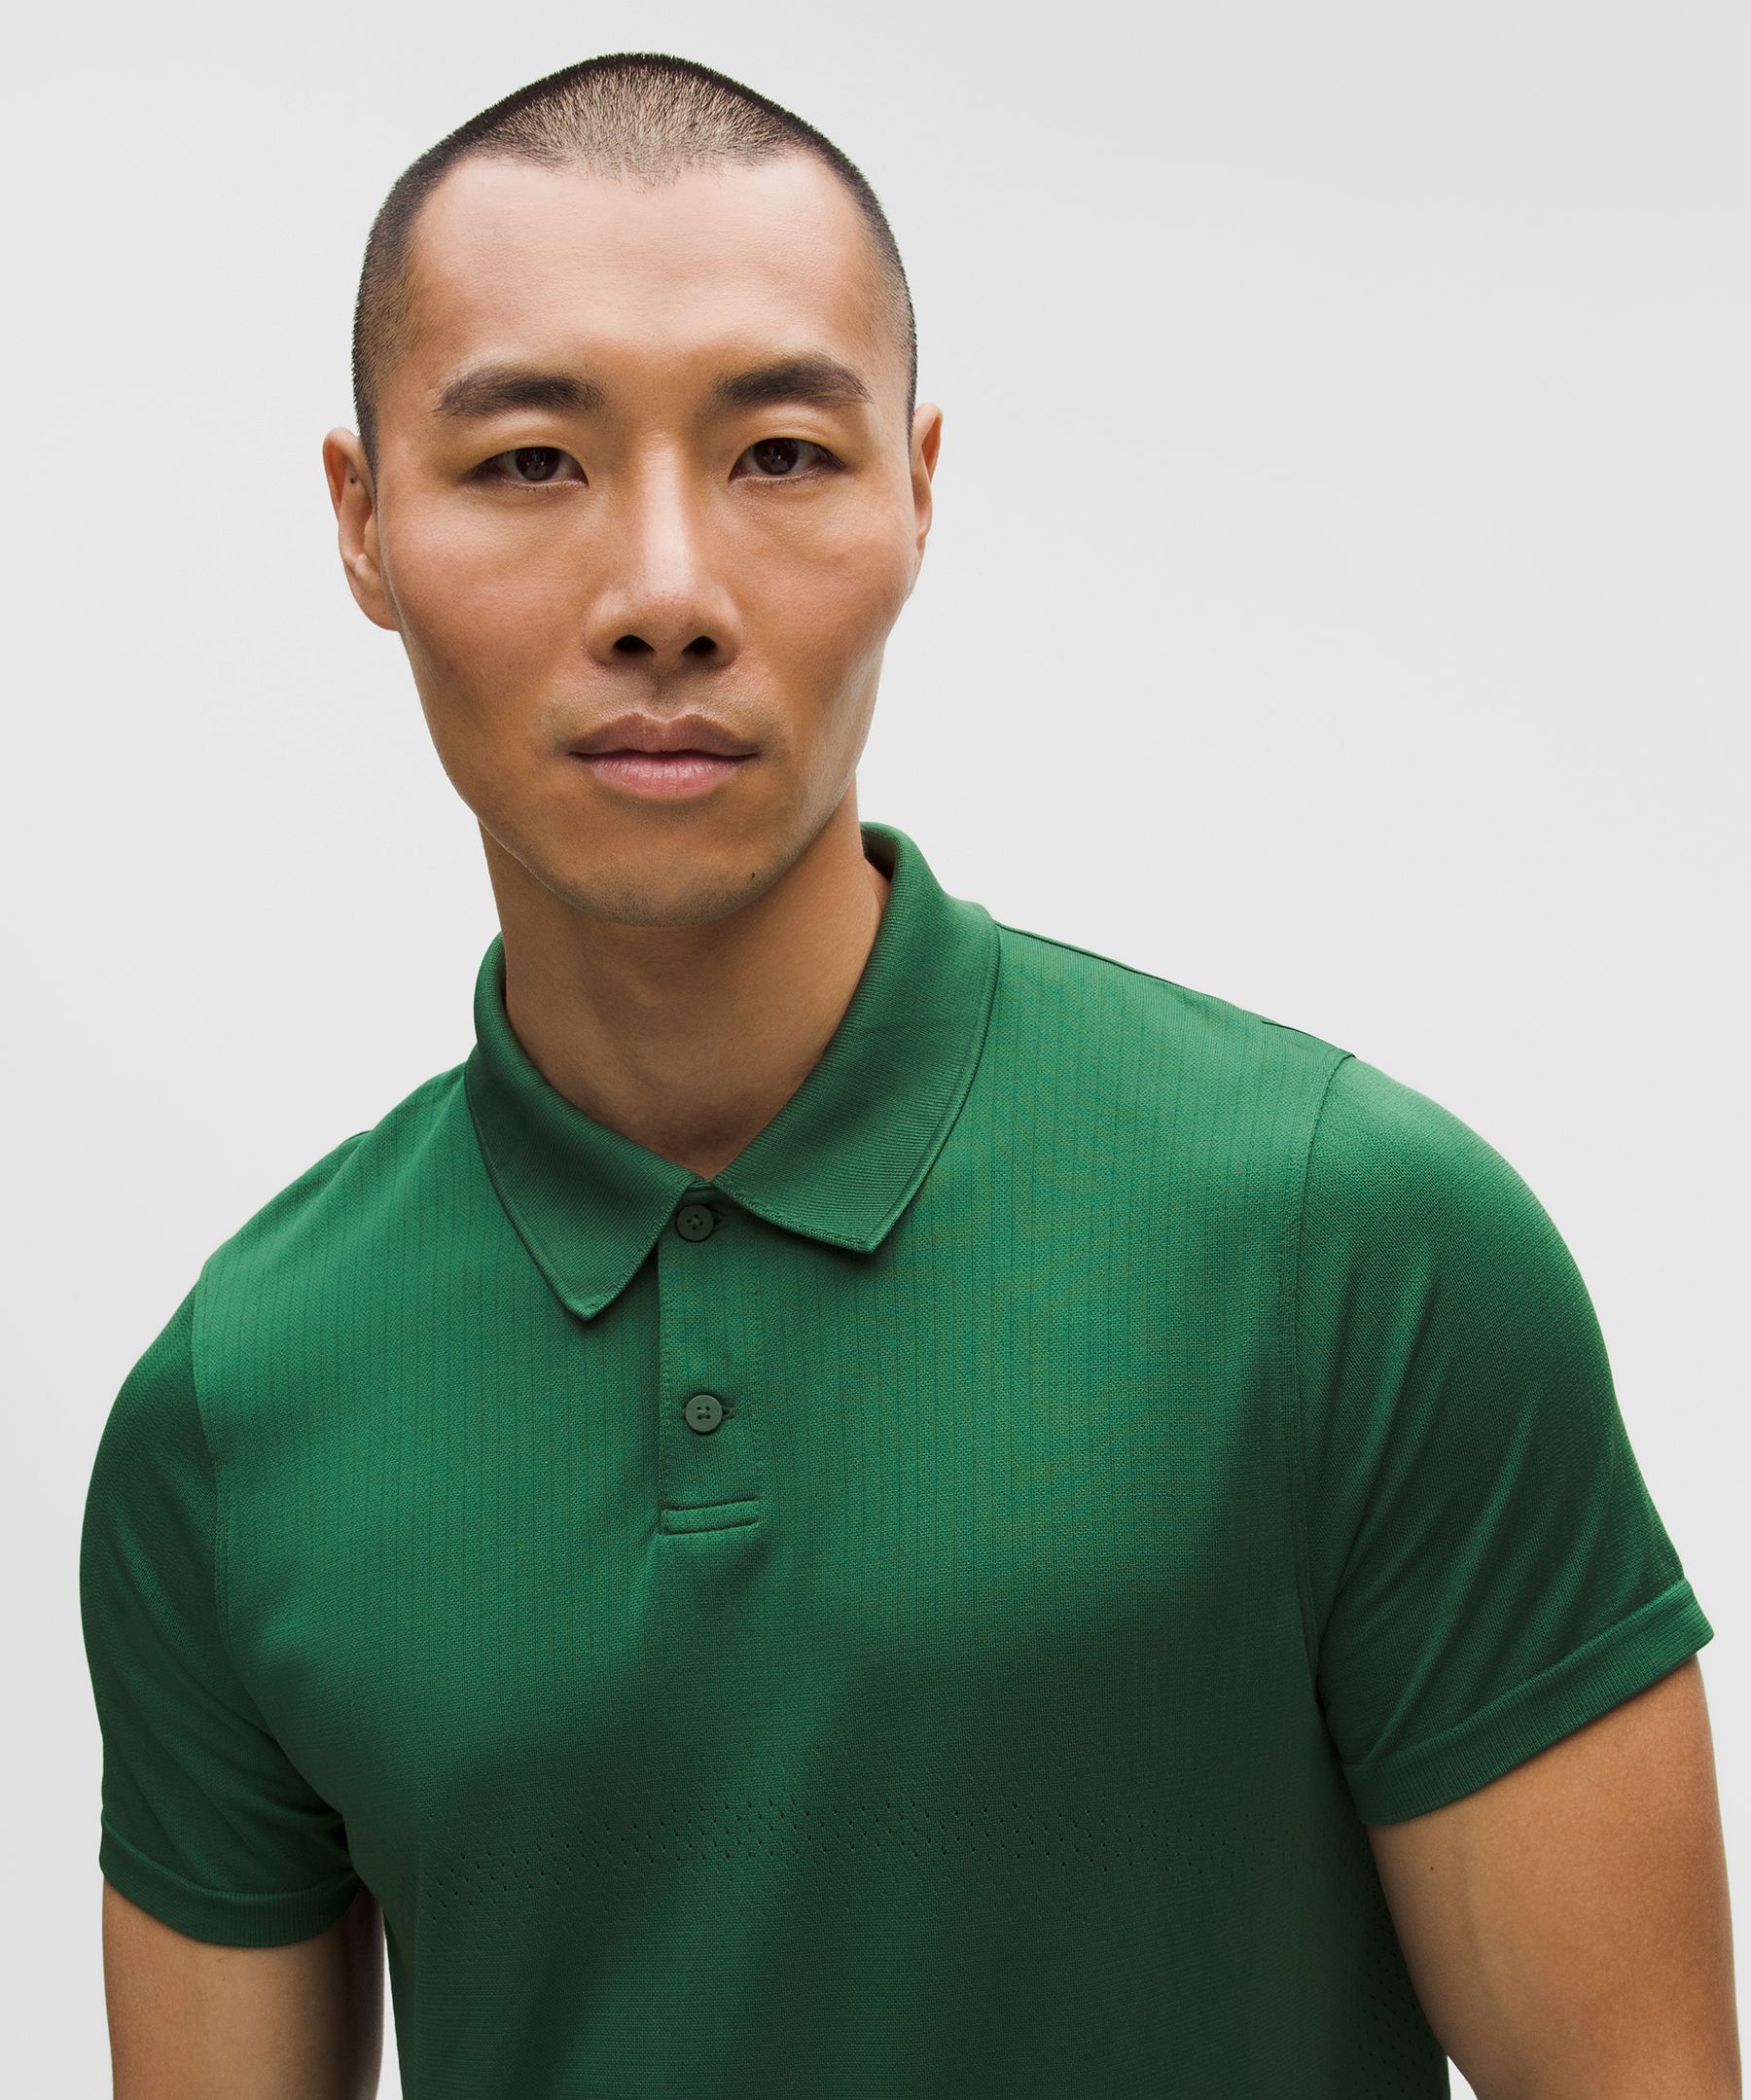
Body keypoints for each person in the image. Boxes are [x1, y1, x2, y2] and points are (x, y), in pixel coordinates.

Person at [78, 49, 1738, 2100]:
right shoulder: (233, 1416)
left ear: (918, 491)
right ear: (362, 523)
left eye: (781, 453)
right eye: (528, 462)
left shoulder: (1359, 1253)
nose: (666, 596)